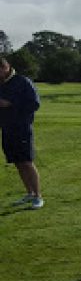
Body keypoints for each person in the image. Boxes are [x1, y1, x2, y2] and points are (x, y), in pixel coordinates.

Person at [0, 56, 43, 209]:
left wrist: (11, 104)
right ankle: (29, 193)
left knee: (26, 162)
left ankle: (38, 196)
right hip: (7, 129)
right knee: (18, 163)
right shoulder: (1, 84)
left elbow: (35, 103)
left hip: (22, 128)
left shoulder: (22, 81)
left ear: (6, 67)